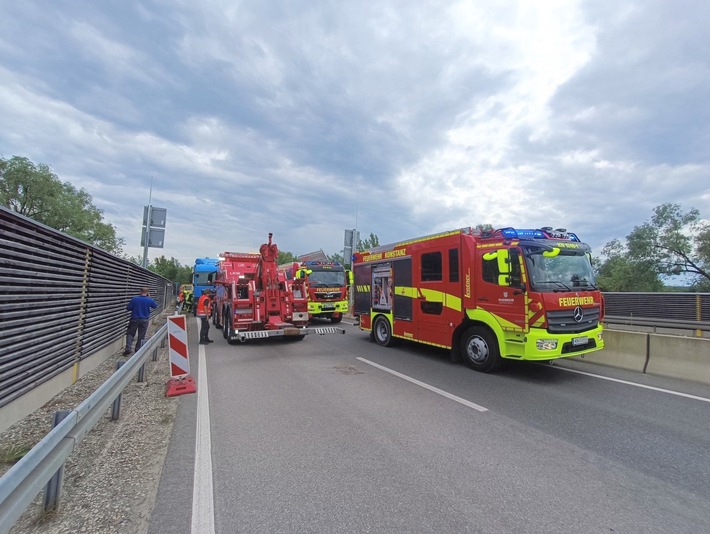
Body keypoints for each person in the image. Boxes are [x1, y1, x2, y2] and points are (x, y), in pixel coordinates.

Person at [123, 287, 158, 355]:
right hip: (144, 320)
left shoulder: (135, 299)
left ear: (140, 291)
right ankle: (137, 349)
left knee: (130, 333)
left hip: (134, 319)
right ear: (147, 292)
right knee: (141, 335)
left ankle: (128, 348)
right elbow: (155, 306)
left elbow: (128, 308)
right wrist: (149, 298)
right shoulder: (149, 300)